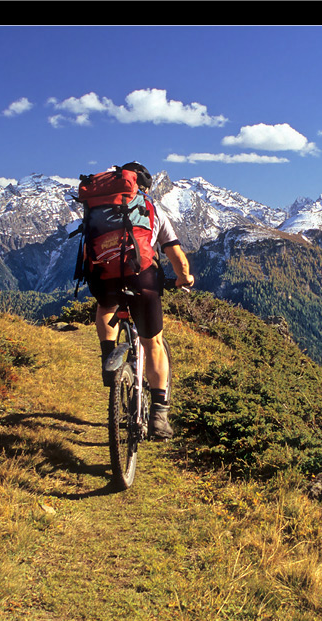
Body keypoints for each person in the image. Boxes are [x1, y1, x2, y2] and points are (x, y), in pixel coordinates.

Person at [87, 162, 194, 439]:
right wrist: (184, 278)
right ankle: (159, 415)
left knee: (106, 307)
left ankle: (108, 356)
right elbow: (176, 256)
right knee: (153, 342)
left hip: (103, 277)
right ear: (144, 187)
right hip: (142, 279)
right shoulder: (150, 208)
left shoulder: (97, 208)